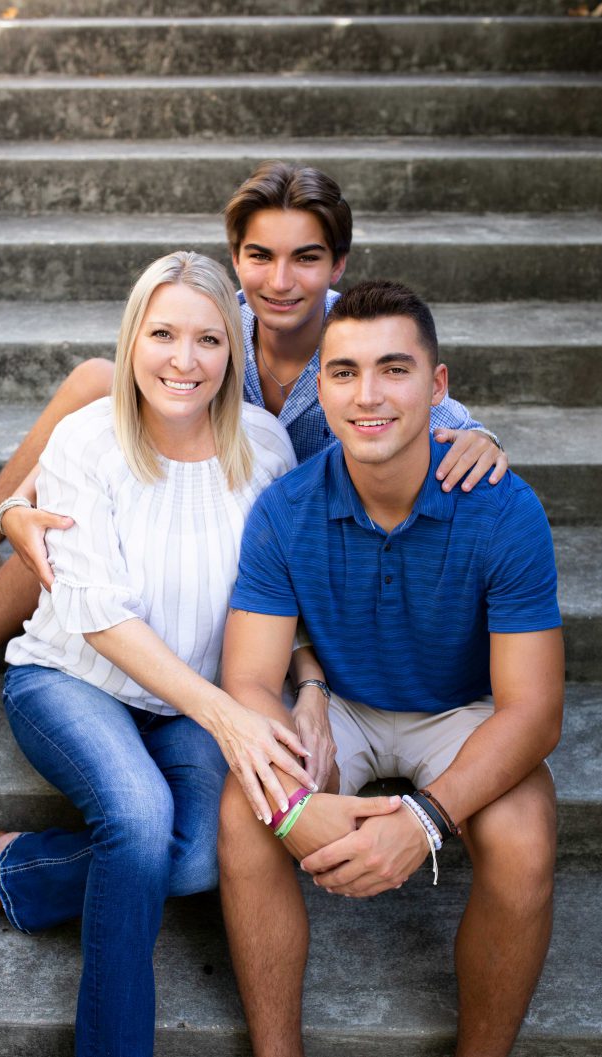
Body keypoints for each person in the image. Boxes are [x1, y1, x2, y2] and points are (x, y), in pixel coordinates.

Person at [0, 162, 507, 730]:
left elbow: (438, 412)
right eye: (259, 256)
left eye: (307, 258)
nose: (281, 281)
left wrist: (482, 438)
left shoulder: (359, 344)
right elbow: (110, 429)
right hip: (196, 491)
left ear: (338, 265)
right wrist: (17, 509)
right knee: (91, 409)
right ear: (236, 259)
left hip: (282, 540)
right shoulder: (219, 322)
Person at [0, 251, 343, 1057]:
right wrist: (226, 715)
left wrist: (310, 683)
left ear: (233, 351)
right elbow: (95, 614)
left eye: (208, 341)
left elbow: (287, 596)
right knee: (141, 817)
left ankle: (16, 869)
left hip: (191, 696)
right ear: (132, 337)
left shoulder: (263, 449)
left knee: (189, 857)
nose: (184, 361)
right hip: (73, 679)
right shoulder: (85, 441)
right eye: (162, 334)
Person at [217, 279, 564, 1057]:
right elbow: (246, 681)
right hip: (337, 703)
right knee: (247, 813)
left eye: (393, 369)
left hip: (461, 709)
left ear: (437, 386)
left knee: (524, 835)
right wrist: (294, 806)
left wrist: (425, 818)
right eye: (342, 372)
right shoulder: (284, 507)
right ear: (322, 384)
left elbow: (534, 711)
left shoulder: (504, 508)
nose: (366, 394)